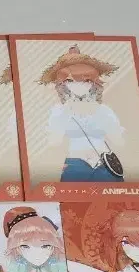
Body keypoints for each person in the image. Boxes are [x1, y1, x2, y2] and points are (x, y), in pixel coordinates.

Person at [40, 46, 123, 183]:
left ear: (94, 82)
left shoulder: (104, 110)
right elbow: (52, 142)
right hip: (75, 163)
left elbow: (118, 139)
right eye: (70, 81)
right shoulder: (58, 111)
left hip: (105, 164)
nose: (78, 85)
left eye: (86, 80)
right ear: (62, 83)